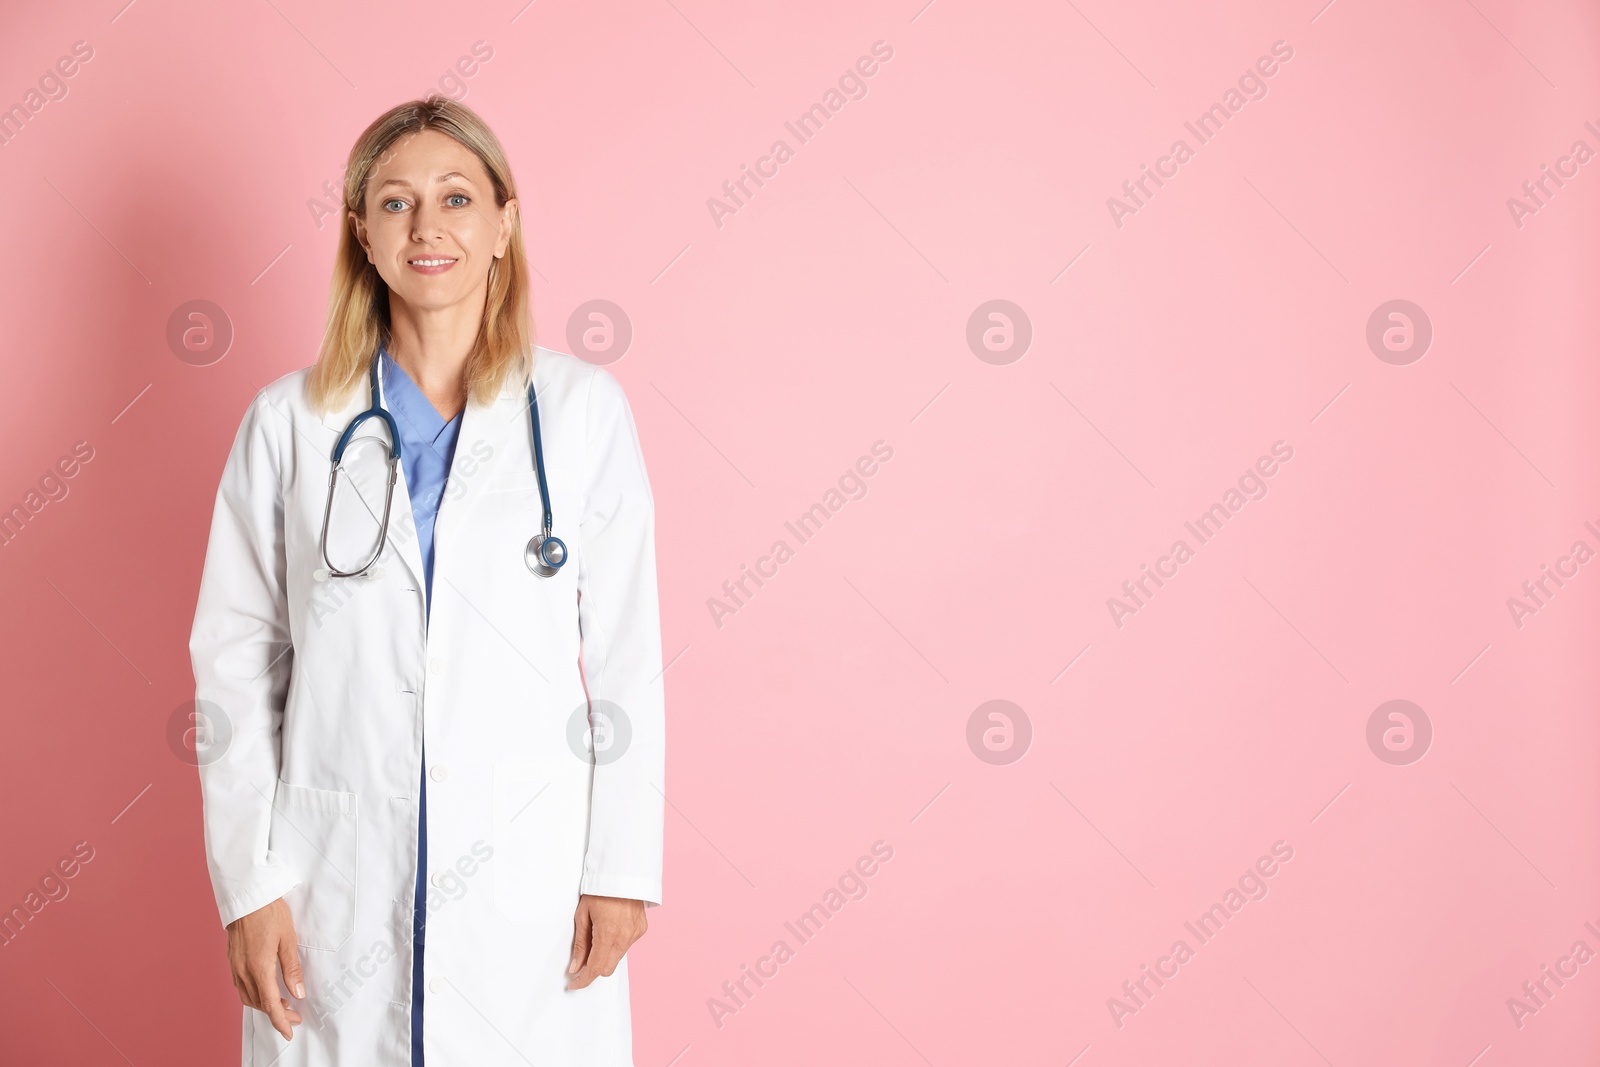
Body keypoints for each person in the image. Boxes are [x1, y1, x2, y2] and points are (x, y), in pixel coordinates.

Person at [187, 97, 665, 1066]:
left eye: (456, 196)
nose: (428, 225)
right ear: (362, 233)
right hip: (334, 876)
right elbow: (233, 665)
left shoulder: (579, 415)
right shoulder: (289, 424)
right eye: (396, 203)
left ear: (503, 223)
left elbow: (626, 661)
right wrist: (248, 884)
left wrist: (619, 866)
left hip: (524, 882)